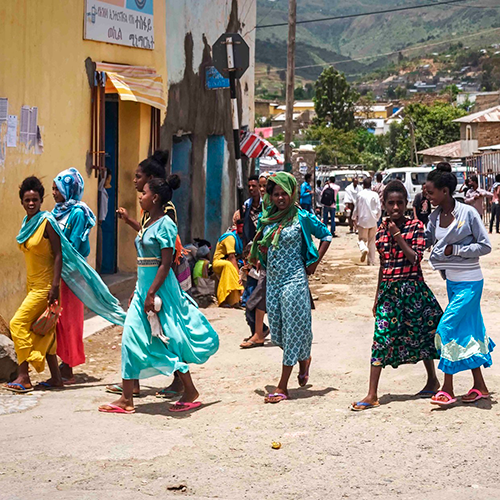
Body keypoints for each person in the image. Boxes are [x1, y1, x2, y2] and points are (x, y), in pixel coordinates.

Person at [99, 179, 219, 414]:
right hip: (143, 289)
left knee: (169, 339)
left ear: (154, 198)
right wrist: (140, 290)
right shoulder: (149, 222)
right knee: (131, 338)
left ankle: (190, 391)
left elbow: (165, 264)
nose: (139, 196)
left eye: (143, 193)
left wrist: (151, 293)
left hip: (159, 290)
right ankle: (127, 398)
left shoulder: (165, 225)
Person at [5, 177, 125, 394]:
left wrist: (55, 286)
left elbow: (59, 254)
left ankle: (24, 376)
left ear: (41, 201)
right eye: (27, 200)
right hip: (32, 284)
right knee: (46, 330)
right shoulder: (26, 223)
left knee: (17, 324)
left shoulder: (47, 221)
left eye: (35, 200)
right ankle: (57, 377)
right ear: (21, 202)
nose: (31, 203)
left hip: (45, 286)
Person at [351, 180, 442, 411]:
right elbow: (383, 266)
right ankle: (372, 393)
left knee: (424, 335)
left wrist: (398, 234)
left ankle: (433, 380)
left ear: (406, 203)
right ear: (383, 204)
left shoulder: (415, 227)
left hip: (413, 290)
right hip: (390, 293)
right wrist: (377, 297)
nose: (395, 208)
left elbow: (415, 258)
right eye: (390, 203)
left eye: (400, 203)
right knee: (381, 339)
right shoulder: (381, 230)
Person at [250, 172, 331, 403]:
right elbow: (261, 241)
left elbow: (325, 235)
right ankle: (304, 359)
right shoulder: (269, 217)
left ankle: (283, 386)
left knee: (294, 329)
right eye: (275, 194)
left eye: (284, 193)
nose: (280, 198)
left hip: (294, 280)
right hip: (273, 281)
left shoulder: (301, 217)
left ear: (292, 193)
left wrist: (315, 262)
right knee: (277, 330)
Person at [425, 163, 494, 406]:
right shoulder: (434, 217)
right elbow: (427, 241)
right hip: (452, 284)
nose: (428, 196)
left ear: (445, 191)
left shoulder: (468, 213)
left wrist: (458, 249)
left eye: (431, 192)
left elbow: (485, 246)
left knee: (446, 330)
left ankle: (447, 388)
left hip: (471, 283)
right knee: (469, 332)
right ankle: (480, 386)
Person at [51, 168, 96, 384]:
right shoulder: (56, 211)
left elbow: (74, 245)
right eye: (53, 188)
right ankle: (62, 362)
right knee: (56, 319)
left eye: (57, 188)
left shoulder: (78, 213)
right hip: (57, 272)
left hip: (72, 274)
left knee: (69, 320)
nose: (54, 193)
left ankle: (68, 367)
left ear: (69, 189)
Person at [212, 219, 244, 307]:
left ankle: (234, 301)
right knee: (229, 266)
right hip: (219, 262)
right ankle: (222, 299)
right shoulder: (230, 238)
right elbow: (231, 257)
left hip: (232, 262)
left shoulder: (240, 239)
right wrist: (238, 275)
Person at [353, 177, 381, 266]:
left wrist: (354, 217)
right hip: (373, 220)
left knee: (362, 239)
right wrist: (377, 218)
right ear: (371, 185)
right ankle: (371, 262)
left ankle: (363, 249)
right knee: (372, 241)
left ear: (363, 185)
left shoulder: (360, 194)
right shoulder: (375, 195)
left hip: (362, 220)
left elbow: (356, 208)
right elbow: (379, 208)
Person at [242, 175, 262, 245]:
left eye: (253, 186)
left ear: (259, 187)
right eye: (249, 186)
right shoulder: (247, 205)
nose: (251, 188)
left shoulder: (265, 204)